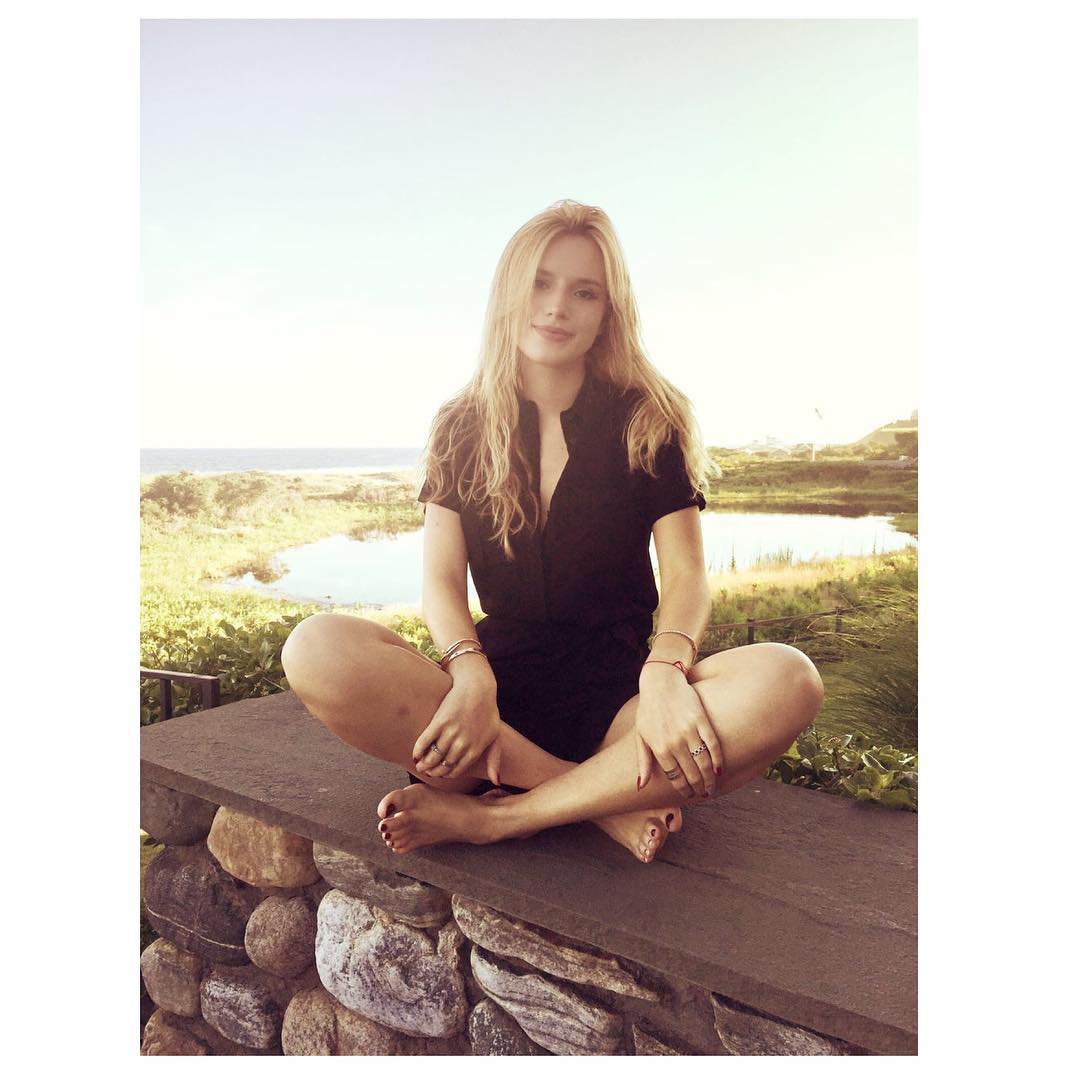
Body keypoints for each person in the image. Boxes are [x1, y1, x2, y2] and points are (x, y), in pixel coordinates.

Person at [281, 200, 824, 863]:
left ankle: (503, 816)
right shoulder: (459, 425)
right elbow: (442, 583)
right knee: (317, 647)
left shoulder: (650, 419)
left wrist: (665, 672)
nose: (557, 307)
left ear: (607, 312)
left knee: (788, 681)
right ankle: (598, 800)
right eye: (540, 282)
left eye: (584, 291)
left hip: (623, 711)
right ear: (509, 292)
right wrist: (470, 677)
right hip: (490, 711)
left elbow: (686, 576)